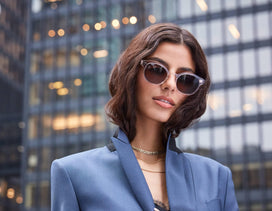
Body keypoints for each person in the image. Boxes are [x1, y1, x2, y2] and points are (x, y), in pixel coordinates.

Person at [51, 23, 239, 211]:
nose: (170, 85)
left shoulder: (216, 178)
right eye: (157, 70)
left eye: (185, 79)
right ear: (131, 73)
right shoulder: (73, 174)